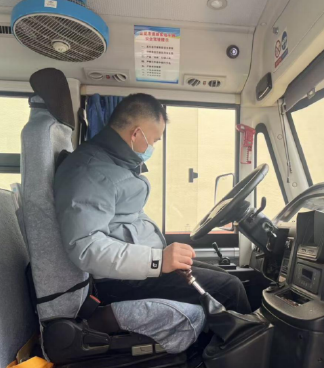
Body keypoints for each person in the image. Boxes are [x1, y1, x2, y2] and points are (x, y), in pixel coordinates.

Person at [54, 93, 251, 314]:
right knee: (230, 289)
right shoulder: (90, 172)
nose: (153, 147)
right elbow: (86, 248)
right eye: (155, 140)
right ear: (136, 134)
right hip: (119, 281)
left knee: (225, 277)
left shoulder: (113, 163)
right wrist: (157, 260)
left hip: (138, 268)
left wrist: (160, 257)